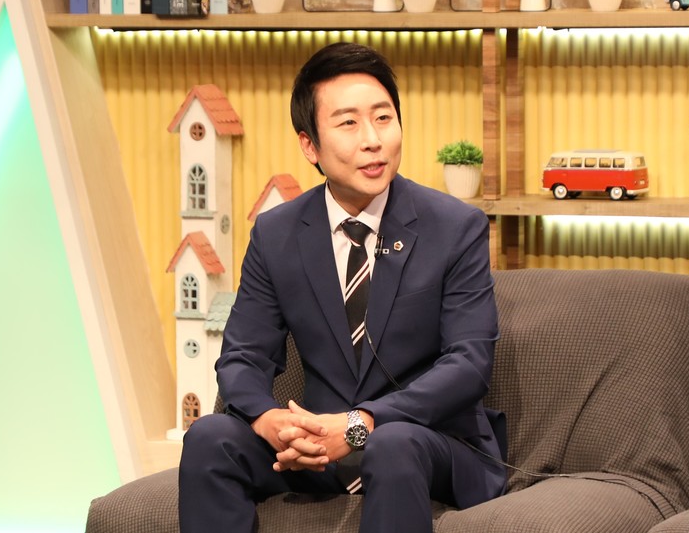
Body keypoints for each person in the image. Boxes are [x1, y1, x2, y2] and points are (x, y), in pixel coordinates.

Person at [178, 41, 507, 533]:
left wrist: (360, 425)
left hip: (424, 443)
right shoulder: (277, 234)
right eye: (348, 123)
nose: (373, 140)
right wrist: (271, 420)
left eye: (383, 118)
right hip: (319, 446)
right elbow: (243, 356)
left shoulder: (455, 227)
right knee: (209, 437)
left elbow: (469, 365)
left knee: (392, 444)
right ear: (309, 145)